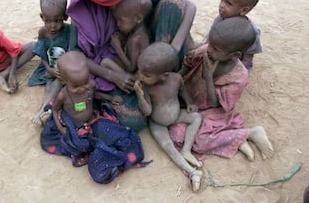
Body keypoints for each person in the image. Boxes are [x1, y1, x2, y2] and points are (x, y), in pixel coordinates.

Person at [67, 0, 196, 131]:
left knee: (172, 3)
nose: (114, 10)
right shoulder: (82, 10)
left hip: (153, 52)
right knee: (134, 121)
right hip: (114, 67)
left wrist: (170, 51)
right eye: (107, 6)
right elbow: (75, 56)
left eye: (118, 2)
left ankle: (162, 74)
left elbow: (189, 6)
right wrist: (113, 76)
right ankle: (152, 89)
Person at [169, 16, 274, 161]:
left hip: (212, 110)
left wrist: (208, 78)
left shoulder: (239, 76)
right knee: (176, 130)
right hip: (190, 101)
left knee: (197, 139)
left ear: (235, 55)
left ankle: (250, 133)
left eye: (215, 48)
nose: (209, 49)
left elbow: (214, 103)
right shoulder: (207, 51)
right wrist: (176, 80)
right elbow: (188, 63)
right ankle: (236, 140)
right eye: (210, 43)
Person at [40, 51, 149, 184]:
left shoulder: (90, 86)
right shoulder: (63, 95)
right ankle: (102, 164)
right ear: (63, 81)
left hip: (93, 119)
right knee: (80, 144)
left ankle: (116, 158)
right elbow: (56, 110)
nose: (82, 88)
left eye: (85, 82)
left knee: (115, 133)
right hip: (75, 125)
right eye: (75, 86)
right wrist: (61, 128)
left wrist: (110, 98)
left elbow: (95, 94)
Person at [134, 42, 203, 192]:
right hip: (157, 122)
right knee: (168, 147)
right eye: (139, 71)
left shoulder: (176, 79)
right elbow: (147, 112)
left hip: (177, 114)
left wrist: (189, 102)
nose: (140, 76)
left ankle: (186, 150)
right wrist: (140, 95)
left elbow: (182, 90)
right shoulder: (146, 87)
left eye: (146, 75)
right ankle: (191, 172)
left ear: (164, 76)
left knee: (197, 117)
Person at [28, 0, 71, 126]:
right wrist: (48, 69)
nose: (52, 26)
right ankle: (44, 109)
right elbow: (42, 52)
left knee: (57, 84)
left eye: (57, 21)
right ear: (42, 17)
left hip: (63, 70)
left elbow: (71, 53)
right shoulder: (43, 32)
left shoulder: (70, 31)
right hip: (49, 66)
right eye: (48, 21)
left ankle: (44, 109)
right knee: (49, 84)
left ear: (65, 17)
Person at [200, 0, 263, 72]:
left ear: (244, 10)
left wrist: (231, 72)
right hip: (216, 55)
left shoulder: (250, 32)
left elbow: (247, 60)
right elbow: (210, 41)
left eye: (228, 3)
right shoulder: (220, 19)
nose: (221, 5)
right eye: (222, 0)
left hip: (233, 65)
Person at [101, 0, 151, 74]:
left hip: (136, 75)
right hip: (130, 67)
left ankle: (128, 83)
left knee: (105, 62)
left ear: (138, 19)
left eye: (121, 21)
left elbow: (131, 68)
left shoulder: (138, 38)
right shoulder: (134, 31)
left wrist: (117, 48)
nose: (118, 24)